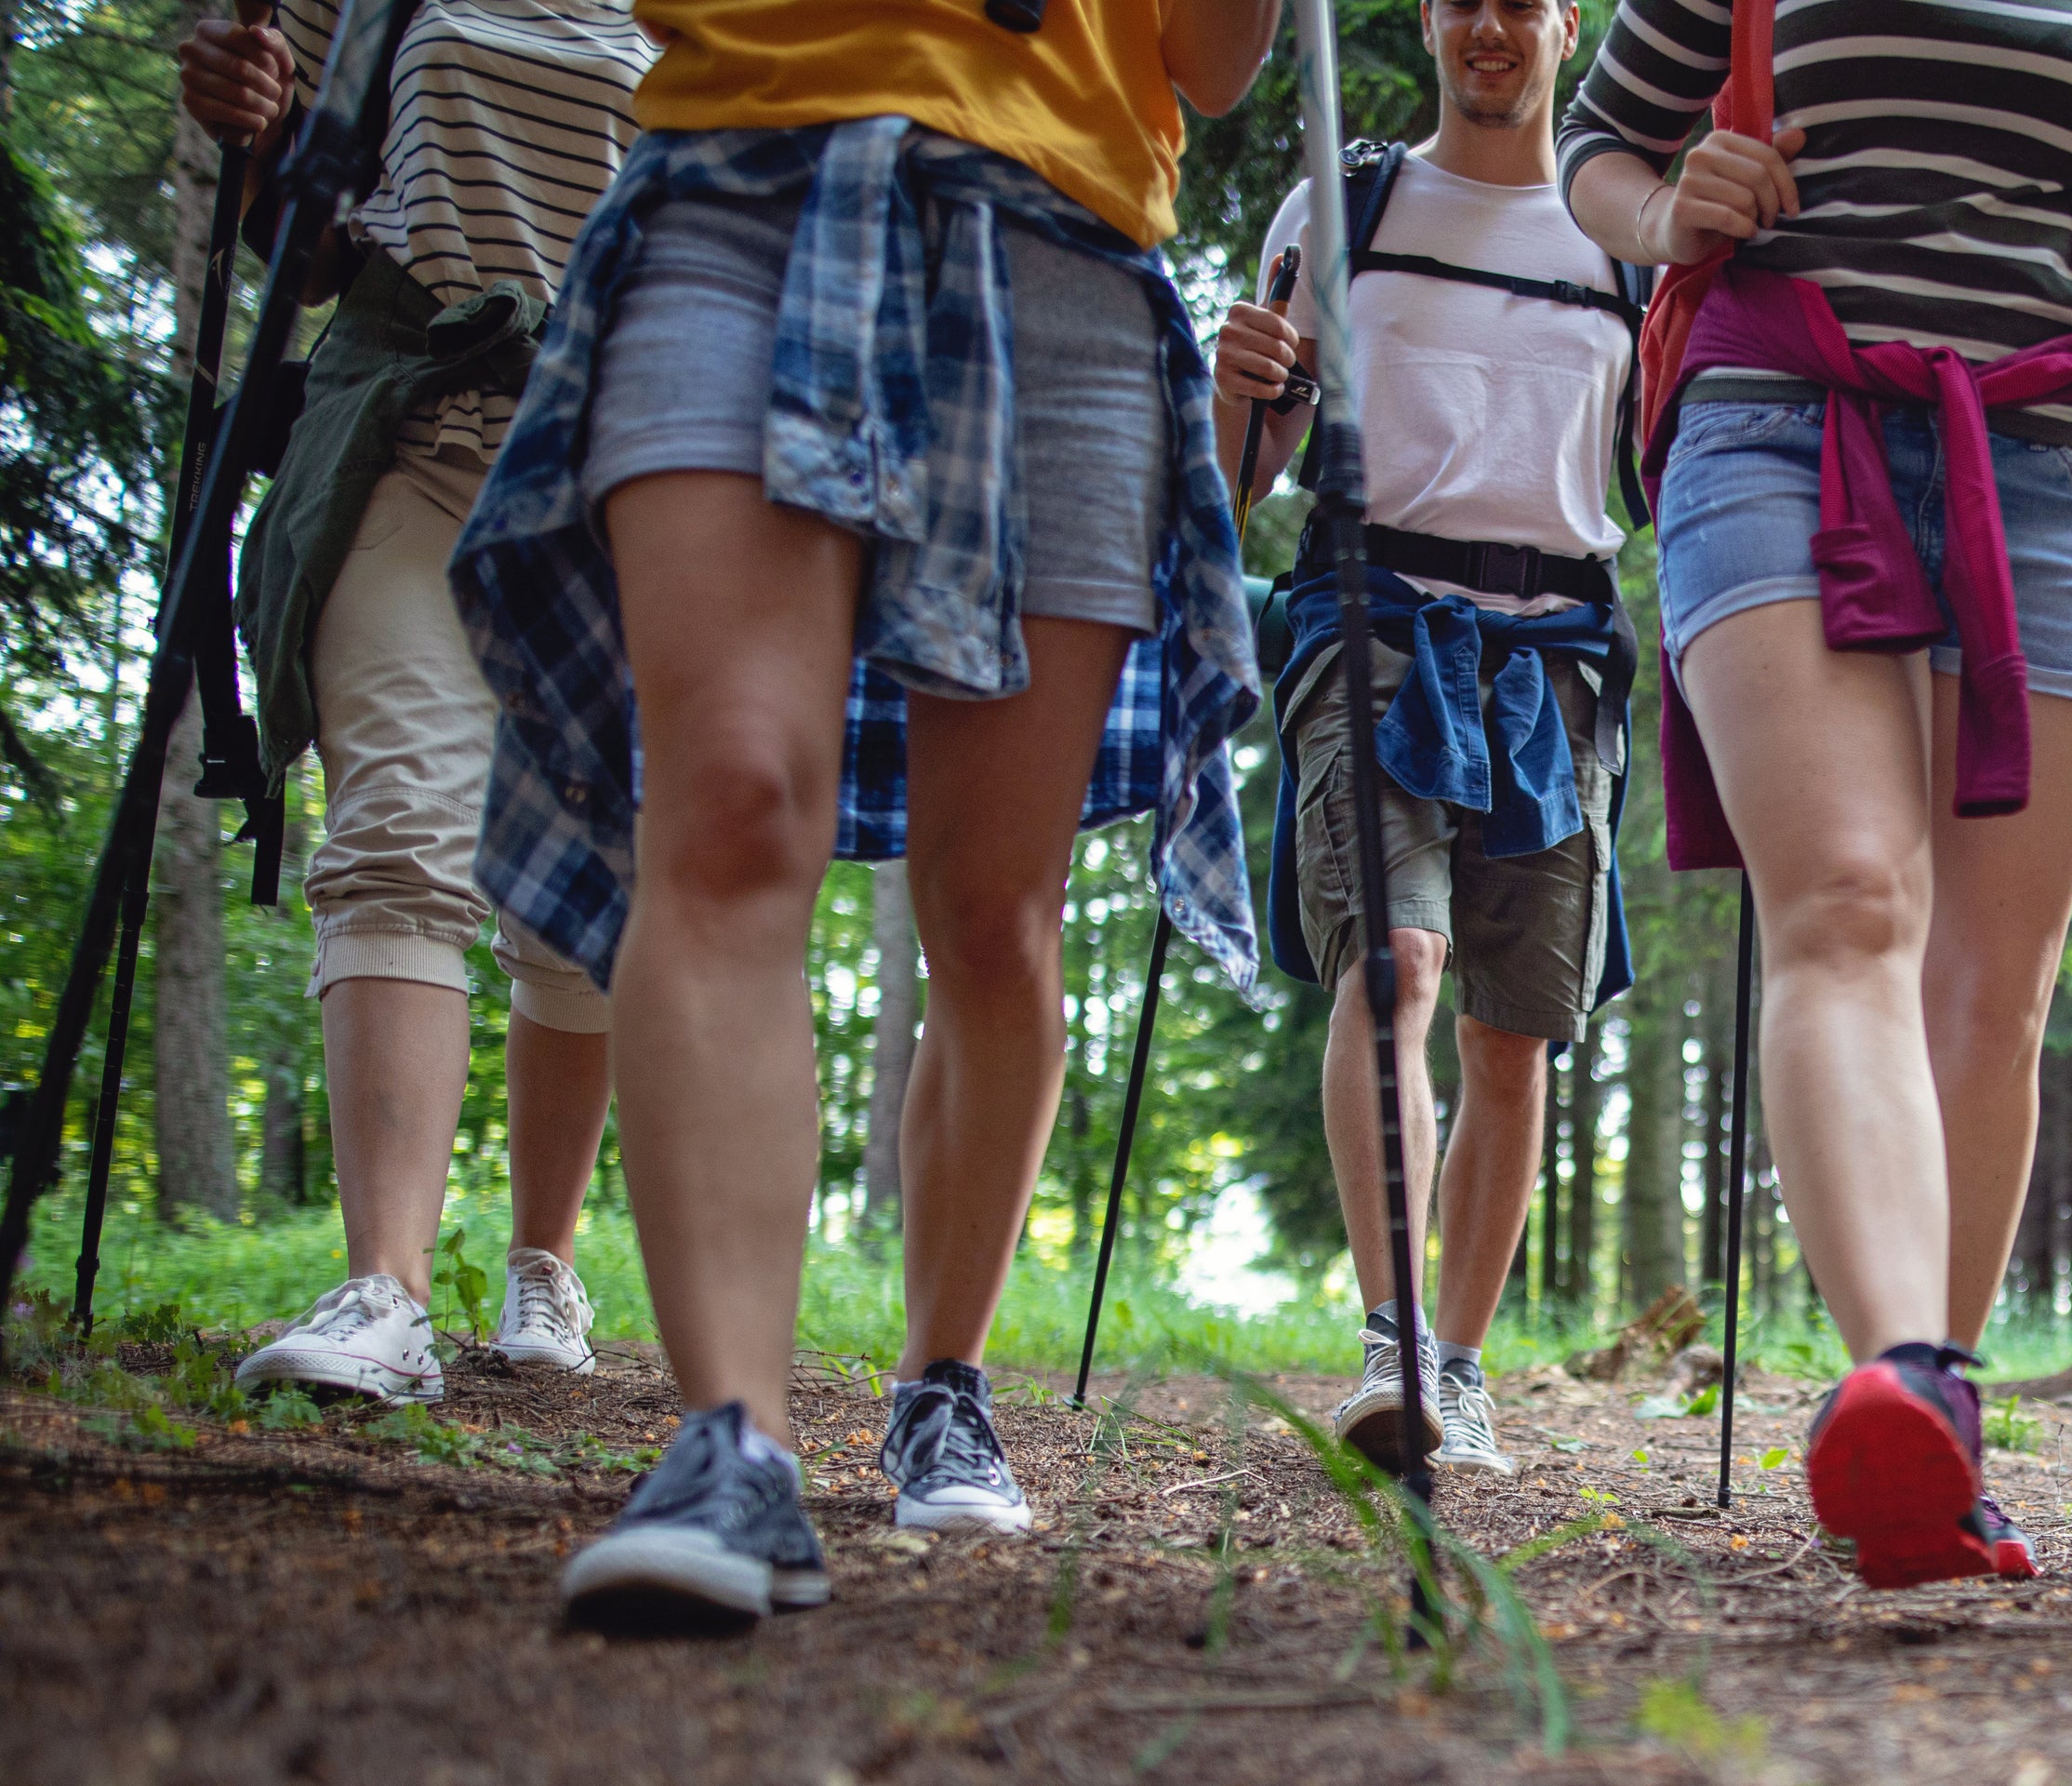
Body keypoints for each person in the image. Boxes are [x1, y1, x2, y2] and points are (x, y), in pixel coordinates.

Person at [452, 0, 1280, 1626]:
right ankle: (731, 1444)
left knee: (993, 910)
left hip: (1069, 242)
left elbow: (1219, 60)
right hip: (737, 188)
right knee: (732, 801)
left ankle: (941, 1381)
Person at [1560, 0, 2072, 1590]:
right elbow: (1598, 147)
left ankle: (1934, 1424)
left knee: (1996, 987)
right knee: (1849, 900)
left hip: (2049, 459)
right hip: (1775, 426)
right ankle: (1906, 1376)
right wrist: (1663, 215)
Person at [179, 0, 648, 1402]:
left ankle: (542, 1266)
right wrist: (252, 127)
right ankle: (383, 1288)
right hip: (409, 434)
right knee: (395, 827)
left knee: (578, 904)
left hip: (616, 472)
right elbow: (305, 242)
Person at [1215, 0, 1643, 1481]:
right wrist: (1234, 397)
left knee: (1513, 1035)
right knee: (1394, 966)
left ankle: (1458, 1371)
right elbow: (1246, 480)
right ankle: (1393, 1343)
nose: (1490, 22)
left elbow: (1671, 465)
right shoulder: (1344, 202)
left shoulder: (1624, 237)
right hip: (1371, 618)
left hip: (1556, 654)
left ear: (1566, 25)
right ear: (1427, 16)